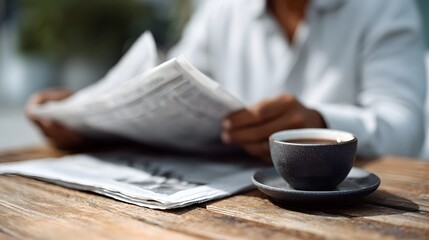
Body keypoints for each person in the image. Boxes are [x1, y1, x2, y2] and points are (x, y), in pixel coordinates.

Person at [27, 0, 427, 161]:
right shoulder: (223, 9)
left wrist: (318, 124)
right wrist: (83, 117)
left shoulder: (384, 8)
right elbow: (166, 87)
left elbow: (405, 128)